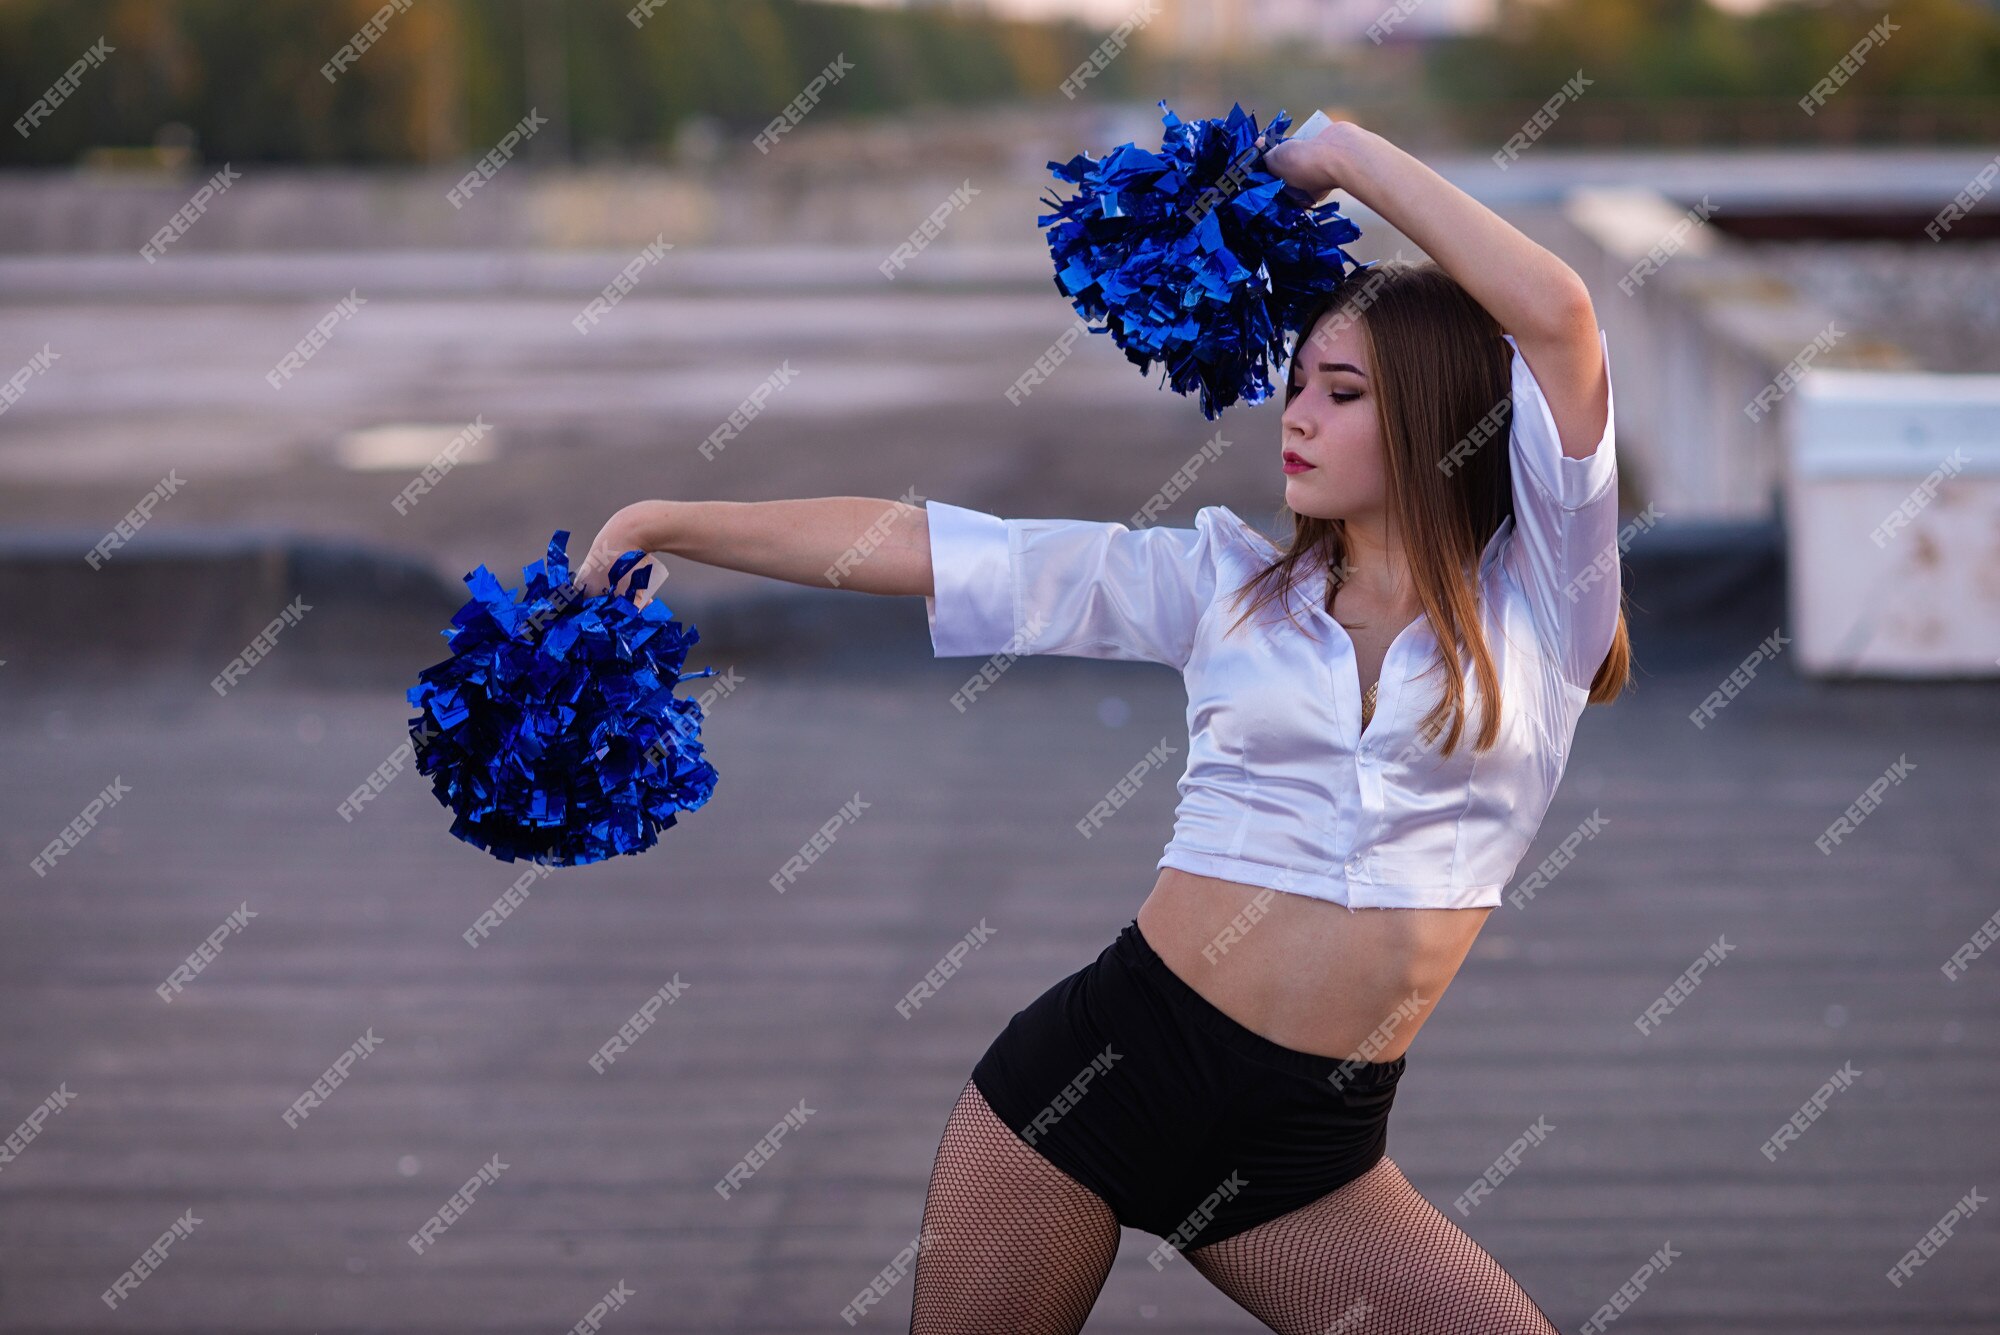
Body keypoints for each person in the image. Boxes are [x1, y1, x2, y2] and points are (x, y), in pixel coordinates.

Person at [578, 115, 1626, 1334]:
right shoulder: (1223, 587)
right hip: (1091, 1081)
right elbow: (937, 550)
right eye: (1293, 386)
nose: (1294, 416)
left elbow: (1555, 316)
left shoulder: (1547, 599)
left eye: (1340, 394)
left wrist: (1336, 155)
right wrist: (670, 520)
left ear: (1439, 418)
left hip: (1306, 1156)